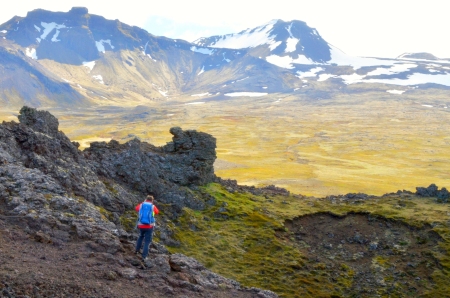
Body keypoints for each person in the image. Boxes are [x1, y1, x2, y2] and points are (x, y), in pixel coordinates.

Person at [135, 195, 159, 260]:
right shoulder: (152, 206)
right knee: (147, 241)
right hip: (149, 226)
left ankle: (137, 250)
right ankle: (144, 256)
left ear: (146, 199)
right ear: (152, 200)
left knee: (141, 236)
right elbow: (157, 212)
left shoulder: (141, 205)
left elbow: (136, 209)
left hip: (141, 225)